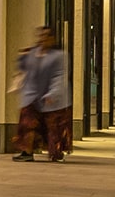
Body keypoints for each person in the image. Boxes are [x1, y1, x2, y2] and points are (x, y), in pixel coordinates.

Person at [13, 26, 72, 162]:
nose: (42, 39)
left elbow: (60, 76)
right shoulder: (32, 54)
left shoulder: (60, 56)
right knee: (27, 123)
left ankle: (56, 152)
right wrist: (22, 58)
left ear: (52, 39)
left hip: (54, 98)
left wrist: (53, 93)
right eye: (40, 36)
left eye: (46, 36)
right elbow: (23, 69)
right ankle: (26, 152)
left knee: (53, 127)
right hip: (32, 96)